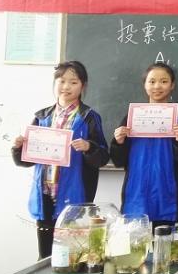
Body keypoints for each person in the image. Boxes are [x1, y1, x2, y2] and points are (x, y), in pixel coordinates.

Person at [11, 60, 109, 258]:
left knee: (72, 256)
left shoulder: (89, 117)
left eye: (73, 82)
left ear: (83, 86)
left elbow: (103, 157)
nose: (66, 86)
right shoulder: (42, 116)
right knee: (45, 256)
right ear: (55, 83)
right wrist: (18, 148)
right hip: (45, 193)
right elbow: (26, 160)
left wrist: (89, 147)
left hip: (75, 193)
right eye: (62, 81)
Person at [109, 63, 178, 229]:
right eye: (152, 81)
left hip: (167, 197)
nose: (157, 86)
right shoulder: (132, 117)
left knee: (165, 244)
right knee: (135, 244)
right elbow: (118, 161)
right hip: (136, 197)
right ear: (145, 84)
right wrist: (118, 142)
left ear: (172, 85)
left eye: (164, 81)